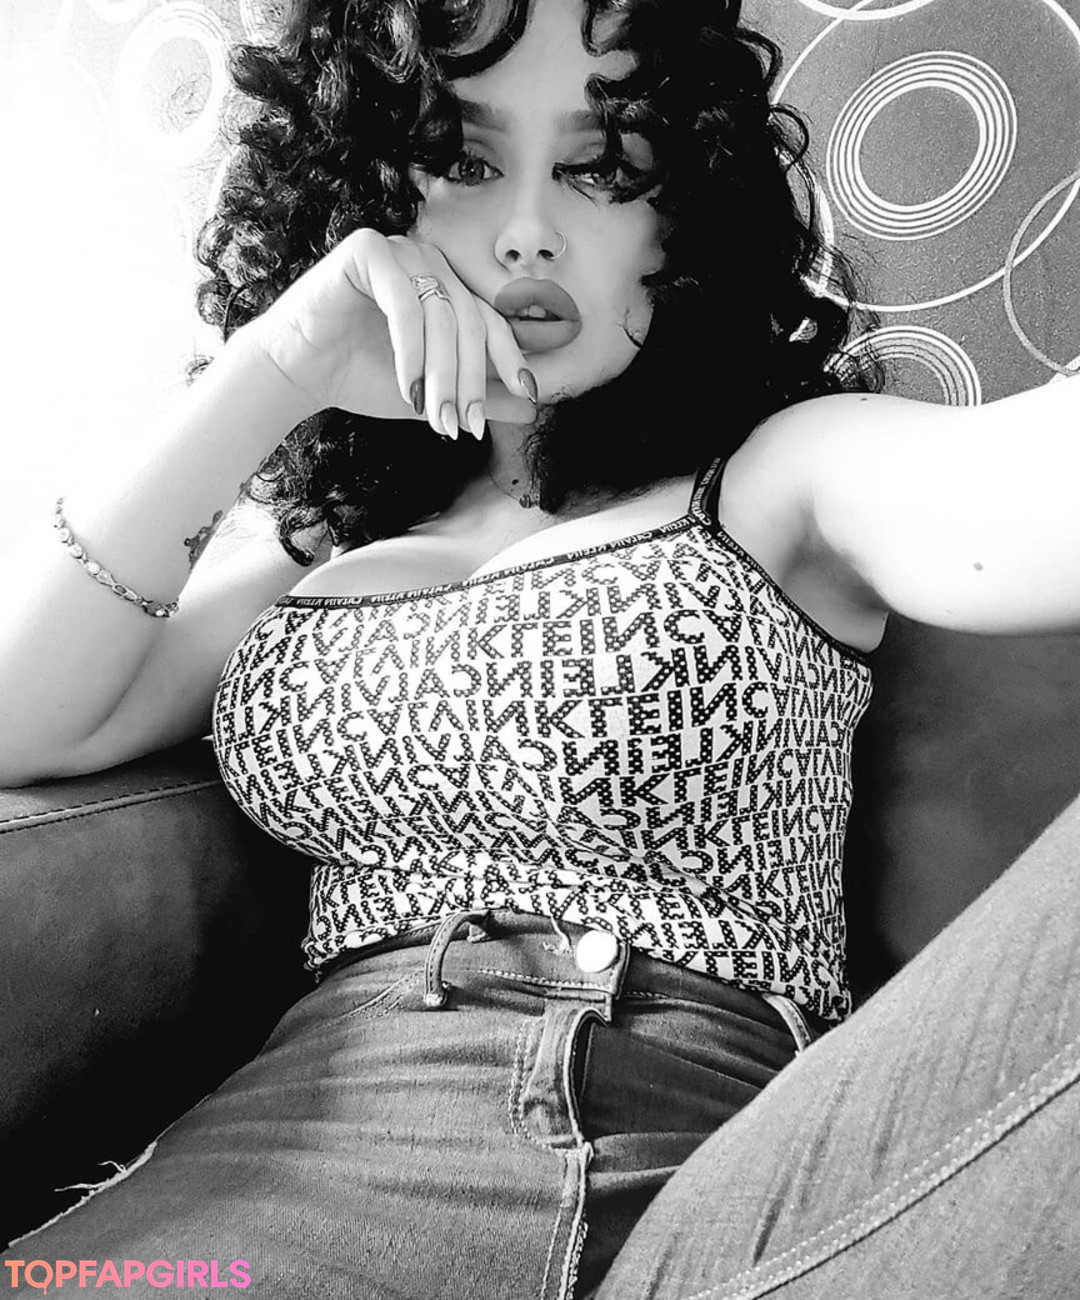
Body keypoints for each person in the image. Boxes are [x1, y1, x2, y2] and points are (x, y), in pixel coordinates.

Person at [2, 0, 1078, 1294]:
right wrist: (279, 363)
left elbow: (1032, 492)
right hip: (252, 1170)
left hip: (690, 1175)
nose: (526, 229)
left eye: (603, 168)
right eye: (462, 159)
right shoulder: (312, 554)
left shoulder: (775, 483)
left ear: (678, 226)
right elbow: (22, 724)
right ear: (371, 193)